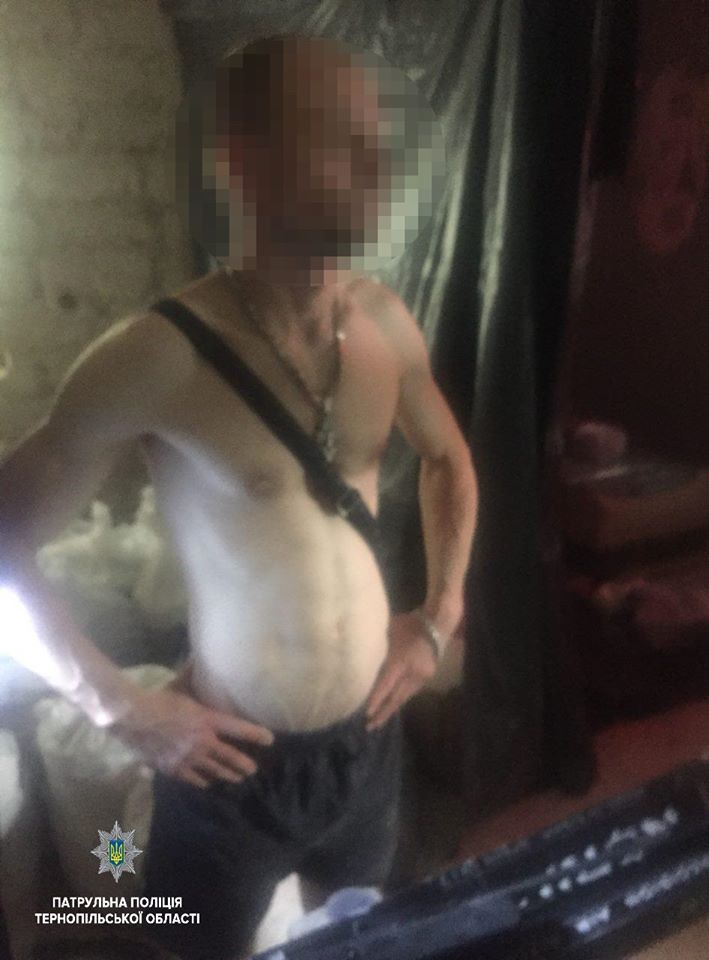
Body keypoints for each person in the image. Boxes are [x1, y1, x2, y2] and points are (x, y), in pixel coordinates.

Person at [0, 35, 477, 960]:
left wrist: (438, 617)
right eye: (335, 140)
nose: (372, 170)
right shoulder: (159, 355)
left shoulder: (383, 322)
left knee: (357, 934)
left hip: (366, 742)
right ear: (243, 163)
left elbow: (448, 462)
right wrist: (114, 703)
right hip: (228, 767)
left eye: (373, 141)